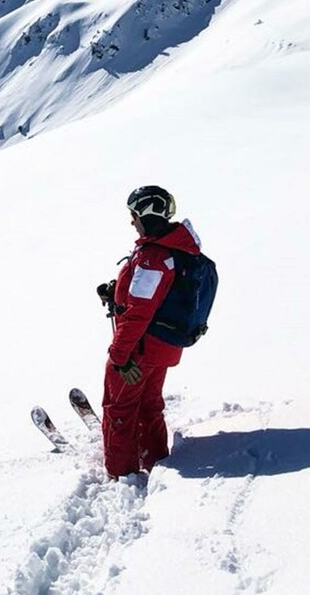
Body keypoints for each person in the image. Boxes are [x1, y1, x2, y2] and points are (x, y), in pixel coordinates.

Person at [97, 185, 203, 479]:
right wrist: (117, 291)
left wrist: (119, 356)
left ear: (147, 215)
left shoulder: (154, 258)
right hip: (161, 347)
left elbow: (139, 312)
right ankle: (156, 461)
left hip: (138, 351)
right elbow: (152, 295)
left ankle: (121, 474)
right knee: (148, 404)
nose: (132, 221)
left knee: (119, 408)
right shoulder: (174, 248)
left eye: (134, 215)